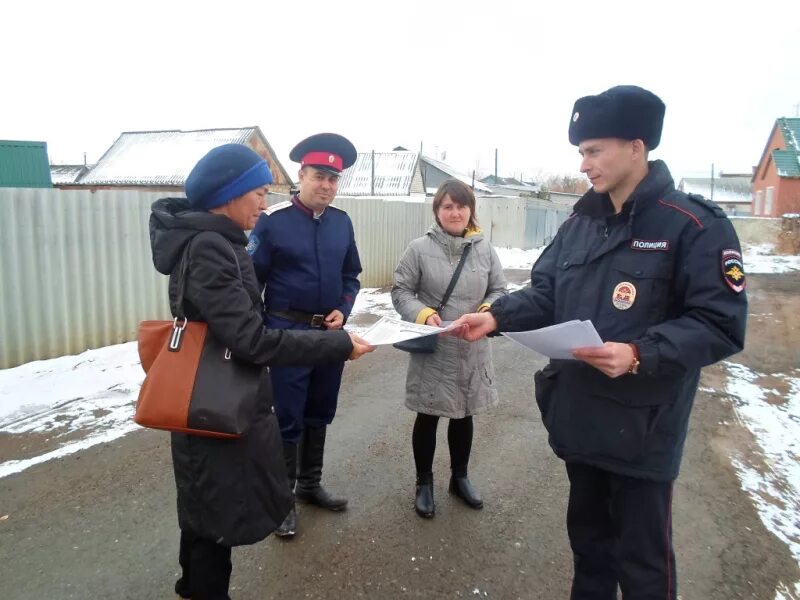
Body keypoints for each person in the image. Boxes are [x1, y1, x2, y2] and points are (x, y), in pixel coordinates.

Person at [453, 86, 747, 599]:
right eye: (581, 152)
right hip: (581, 419)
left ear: (637, 147)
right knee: (589, 552)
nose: (584, 164)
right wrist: (496, 317)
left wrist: (639, 354)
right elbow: (547, 291)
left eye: (594, 151)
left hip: (642, 432)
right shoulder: (579, 222)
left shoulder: (694, 226)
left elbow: (719, 323)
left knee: (643, 567)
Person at [149, 143, 373, 599]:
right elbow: (249, 337)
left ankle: (196, 585)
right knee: (213, 512)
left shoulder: (218, 240)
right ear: (230, 194)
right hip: (213, 396)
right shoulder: (214, 246)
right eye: (258, 191)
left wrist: (340, 319)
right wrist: (337, 345)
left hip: (213, 389)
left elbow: (350, 274)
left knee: (204, 507)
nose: (262, 201)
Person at [247, 132, 362, 538]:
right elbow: (251, 283)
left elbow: (351, 275)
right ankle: (282, 502)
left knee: (319, 411)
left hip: (329, 335)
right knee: (288, 417)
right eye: (319, 176)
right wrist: (259, 334)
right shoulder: (272, 223)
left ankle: (309, 485)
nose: (327, 185)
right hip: (287, 334)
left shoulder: (342, 223)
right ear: (301, 174)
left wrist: (343, 309)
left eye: (333, 179)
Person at [391, 179, 507, 518]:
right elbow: (401, 291)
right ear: (437, 211)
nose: (455, 212)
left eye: (461, 205)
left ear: (470, 209)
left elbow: (499, 290)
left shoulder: (485, 249)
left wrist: (486, 313)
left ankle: (460, 478)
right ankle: (423, 484)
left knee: (464, 414)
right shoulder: (418, 249)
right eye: (447, 206)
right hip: (436, 346)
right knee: (427, 415)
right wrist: (424, 315)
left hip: (472, 346)